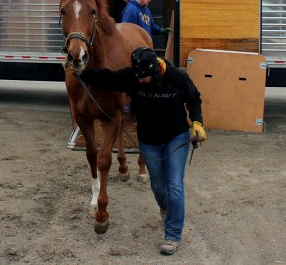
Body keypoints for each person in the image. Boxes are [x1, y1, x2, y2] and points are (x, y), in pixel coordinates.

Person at [67, 47, 206, 255]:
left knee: (175, 185)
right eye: (138, 77)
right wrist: (78, 69)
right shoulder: (132, 77)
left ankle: (172, 235)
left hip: (176, 137)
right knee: (159, 186)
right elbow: (106, 78)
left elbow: (194, 98)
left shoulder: (176, 77)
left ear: (156, 71)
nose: (141, 81)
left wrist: (197, 122)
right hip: (149, 140)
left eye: (145, 77)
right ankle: (167, 207)